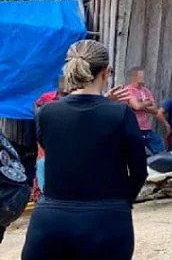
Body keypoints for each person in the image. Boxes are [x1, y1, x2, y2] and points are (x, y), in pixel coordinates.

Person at [22, 40, 147, 260]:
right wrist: (121, 202)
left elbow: (56, 149)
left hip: (50, 220)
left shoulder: (47, 113)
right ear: (106, 72)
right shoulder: (120, 114)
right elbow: (139, 171)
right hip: (106, 220)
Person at [126, 67, 166, 154]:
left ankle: (159, 165)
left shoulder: (146, 91)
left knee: (159, 147)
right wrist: (147, 104)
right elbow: (137, 106)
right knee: (135, 153)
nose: (144, 78)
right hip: (134, 127)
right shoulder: (129, 90)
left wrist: (142, 104)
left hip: (146, 128)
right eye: (142, 76)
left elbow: (156, 109)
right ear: (134, 76)